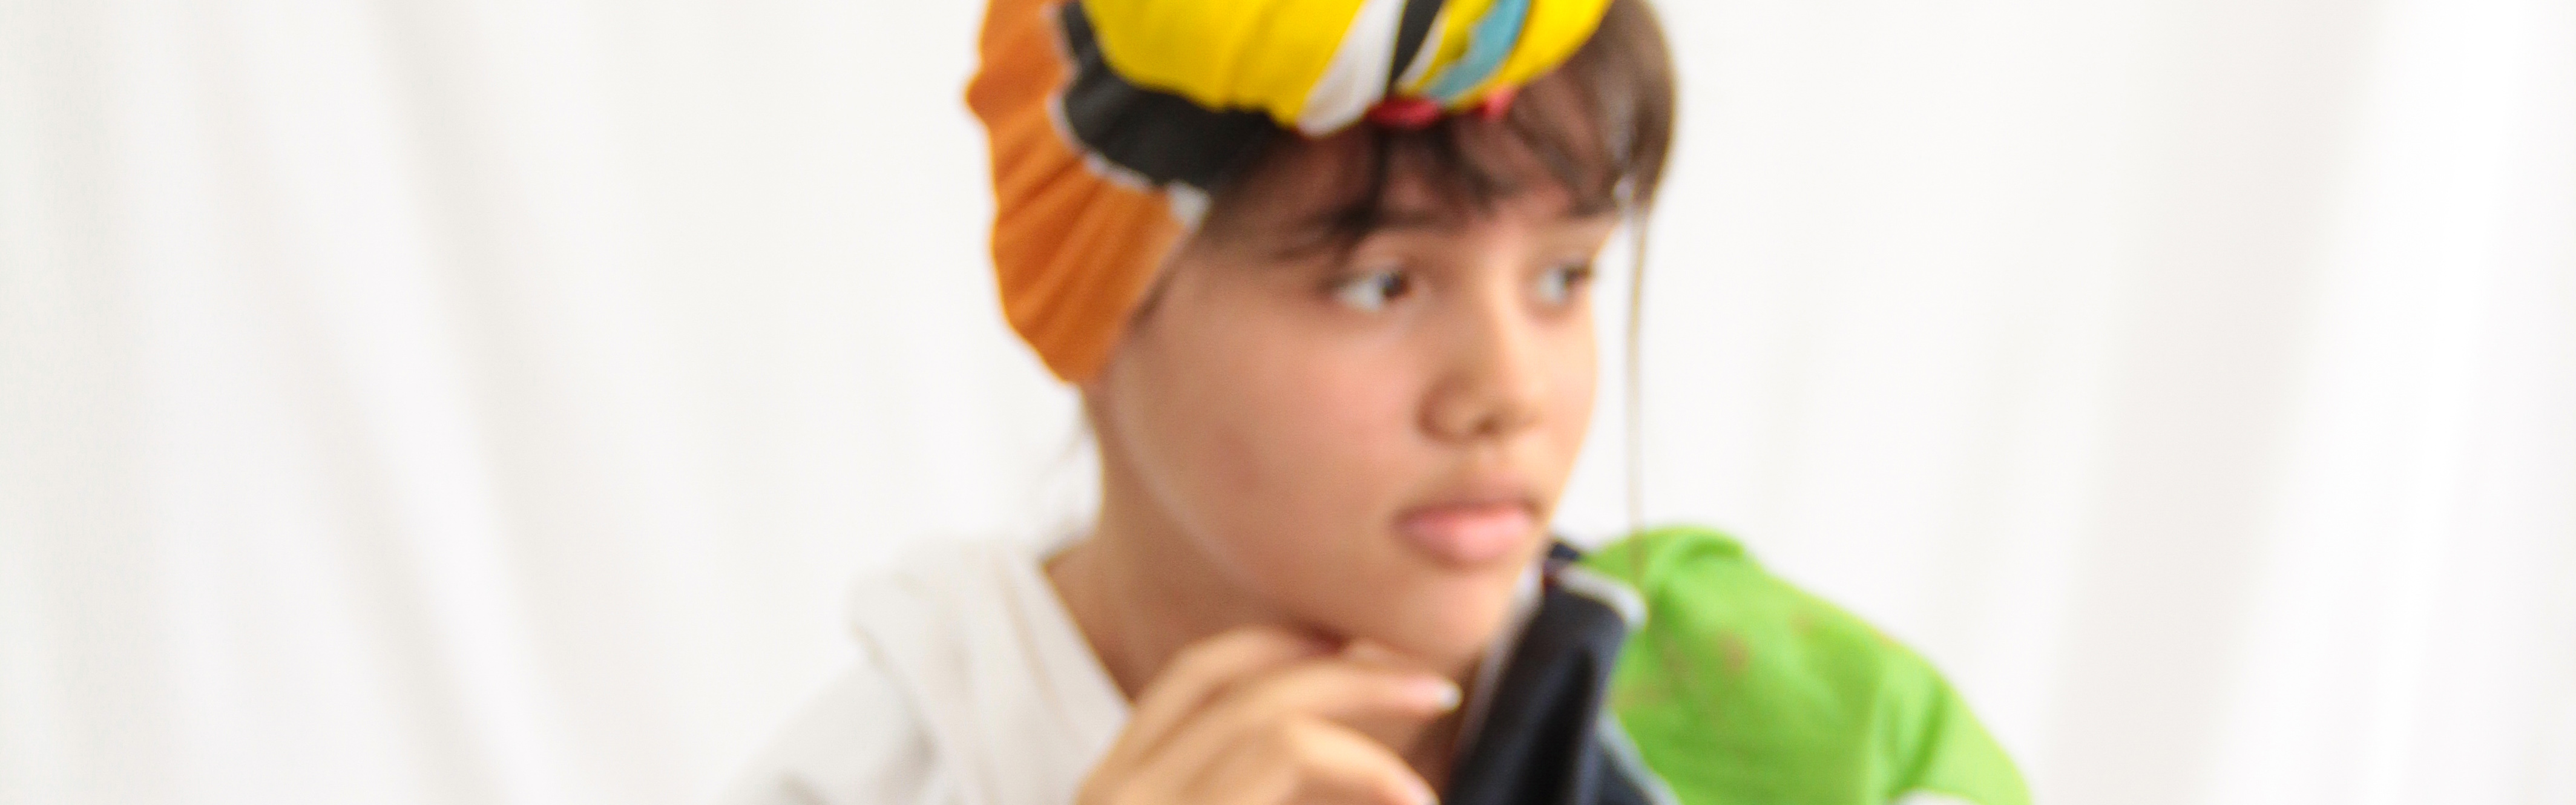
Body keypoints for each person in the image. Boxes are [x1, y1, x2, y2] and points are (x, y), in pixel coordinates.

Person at [722, 1, 2028, 803]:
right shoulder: (864, 783)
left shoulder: (1799, 736)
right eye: (1380, 283)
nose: (1507, 392)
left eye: (1564, 276)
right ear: (1094, 308)